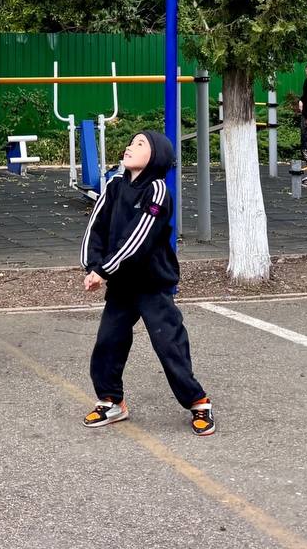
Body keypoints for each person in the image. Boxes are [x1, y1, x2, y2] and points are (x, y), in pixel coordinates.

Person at [80, 130, 214, 436]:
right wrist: (92, 265)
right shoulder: (114, 185)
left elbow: (138, 239)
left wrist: (105, 270)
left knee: (168, 343)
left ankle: (198, 402)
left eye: (140, 144)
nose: (130, 147)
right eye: (130, 142)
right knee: (108, 342)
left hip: (152, 284)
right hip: (121, 284)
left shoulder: (156, 191)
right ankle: (112, 401)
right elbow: (96, 226)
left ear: (156, 156)